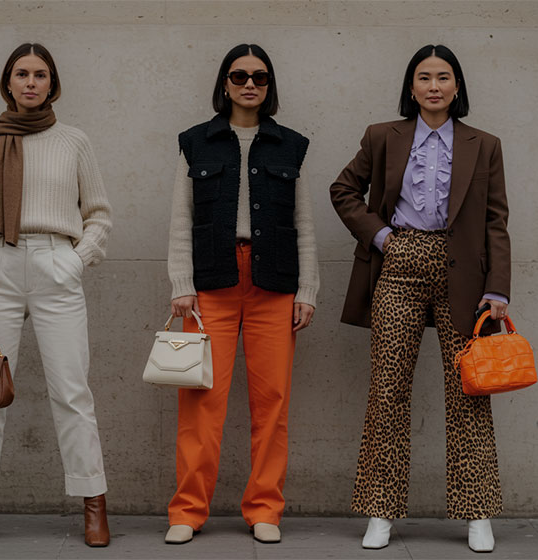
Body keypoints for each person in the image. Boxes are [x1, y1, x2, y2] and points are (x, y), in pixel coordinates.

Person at [329, 44, 510, 553]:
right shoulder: (382, 136)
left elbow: (496, 220)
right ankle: (381, 510)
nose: (434, 86)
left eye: (443, 77)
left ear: (457, 86)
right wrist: (382, 237)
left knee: (468, 391)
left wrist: (497, 287)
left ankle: (477, 512)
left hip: (464, 275)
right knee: (387, 389)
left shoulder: (485, 144)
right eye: (424, 77)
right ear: (411, 87)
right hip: (400, 265)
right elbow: (344, 190)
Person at [0, 42, 112, 547]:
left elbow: (99, 214)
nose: (30, 82)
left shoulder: (74, 141)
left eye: (40, 74)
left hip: (55, 265)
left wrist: (75, 260)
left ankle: (93, 503)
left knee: (72, 391)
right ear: (8, 82)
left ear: (52, 84)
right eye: (21, 74)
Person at [165, 43, 320, 545]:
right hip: (212, 282)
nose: (249, 84)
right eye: (239, 76)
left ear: (269, 85)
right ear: (225, 83)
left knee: (272, 403)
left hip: (274, 284)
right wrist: (181, 284)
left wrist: (308, 290)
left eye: (259, 76)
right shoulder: (196, 142)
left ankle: (264, 508)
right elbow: (181, 219)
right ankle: (188, 511)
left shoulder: (290, 145)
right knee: (201, 404)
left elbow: (303, 224)